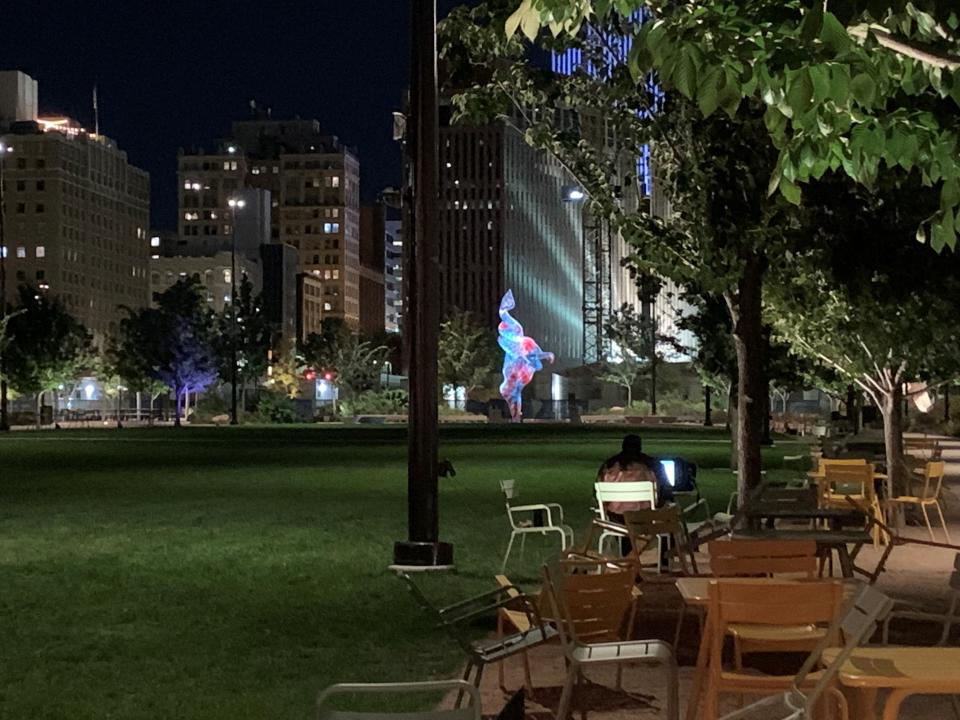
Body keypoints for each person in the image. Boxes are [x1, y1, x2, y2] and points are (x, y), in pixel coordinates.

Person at [596, 434, 674, 559]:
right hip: (646, 516)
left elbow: (597, 494)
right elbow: (665, 493)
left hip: (617, 519)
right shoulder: (653, 465)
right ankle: (664, 559)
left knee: (623, 518)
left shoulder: (608, 466)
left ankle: (628, 556)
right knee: (669, 514)